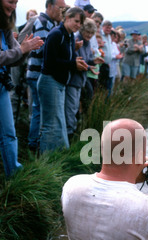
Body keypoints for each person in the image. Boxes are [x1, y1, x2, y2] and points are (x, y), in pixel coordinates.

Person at [0, 0, 43, 192]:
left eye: (16, 2)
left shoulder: (4, 23)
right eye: (10, 1)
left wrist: (25, 49)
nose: (13, 6)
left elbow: (15, 57)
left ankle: (15, 174)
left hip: (0, 85)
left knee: (9, 133)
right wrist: (22, 49)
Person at [37, 7, 87, 154]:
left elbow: (65, 59)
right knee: (50, 125)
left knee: (58, 123)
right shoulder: (56, 34)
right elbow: (50, 62)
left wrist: (76, 61)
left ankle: (59, 157)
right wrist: (73, 64)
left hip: (59, 82)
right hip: (49, 81)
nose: (78, 25)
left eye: (80, 23)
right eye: (76, 21)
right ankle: (45, 160)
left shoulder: (70, 36)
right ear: (67, 17)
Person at [26, 0, 67, 153]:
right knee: (39, 110)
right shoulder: (44, 23)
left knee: (39, 109)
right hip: (38, 74)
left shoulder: (49, 23)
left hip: (36, 73)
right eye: (60, 7)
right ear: (50, 6)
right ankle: (35, 144)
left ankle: (35, 142)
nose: (62, 11)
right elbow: (42, 50)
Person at [65, 18, 104, 139]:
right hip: (72, 80)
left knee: (75, 107)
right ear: (82, 29)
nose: (89, 35)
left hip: (80, 80)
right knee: (70, 109)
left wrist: (92, 61)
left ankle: (73, 133)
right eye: (87, 32)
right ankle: (69, 136)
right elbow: (77, 61)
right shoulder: (77, 39)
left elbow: (85, 60)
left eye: (92, 33)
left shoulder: (87, 42)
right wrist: (88, 66)